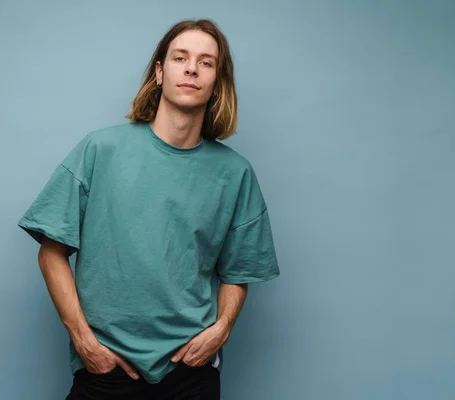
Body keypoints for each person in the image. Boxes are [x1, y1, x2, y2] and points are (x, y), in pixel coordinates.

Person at [17, 18, 280, 400]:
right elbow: (51, 252)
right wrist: (84, 341)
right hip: (105, 369)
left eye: (206, 63)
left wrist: (221, 329)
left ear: (217, 84)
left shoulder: (234, 173)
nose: (192, 68)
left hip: (191, 372)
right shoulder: (99, 150)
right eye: (180, 57)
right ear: (160, 72)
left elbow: (240, 270)